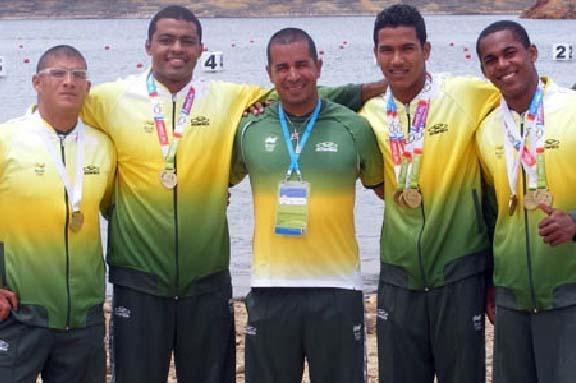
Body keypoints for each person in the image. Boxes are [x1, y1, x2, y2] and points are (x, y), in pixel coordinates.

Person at [81, 5, 385, 383]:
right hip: (138, 277)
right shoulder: (109, 99)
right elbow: (57, 114)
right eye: (167, 40)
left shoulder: (228, 99)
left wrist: (376, 88)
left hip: (208, 278)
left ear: (200, 48)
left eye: (187, 41)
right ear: (148, 46)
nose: (177, 48)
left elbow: (296, 91)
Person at [230, 27, 383, 383]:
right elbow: (219, 182)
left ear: (319, 65)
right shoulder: (249, 127)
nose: (293, 75)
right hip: (269, 288)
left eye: (302, 64)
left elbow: (383, 189)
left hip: (338, 289)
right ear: (269, 74)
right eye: (282, 68)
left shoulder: (355, 128)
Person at [358, 5, 499, 383]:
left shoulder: (466, 94)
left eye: (408, 48)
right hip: (398, 273)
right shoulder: (369, 114)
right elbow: (305, 101)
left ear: (427, 50)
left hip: (459, 269)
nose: (397, 59)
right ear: (375, 54)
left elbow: (527, 89)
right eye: (387, 50)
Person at [476, 20, 576, 383]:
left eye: (510, 53)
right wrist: (490, 282)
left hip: (570, 292)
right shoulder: (487, 128)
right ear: (484, 71)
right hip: (511, 300)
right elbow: (490, 214)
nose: (503, 65)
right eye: (491, 60)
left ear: (531, 53)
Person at [0, 45, 115, 383]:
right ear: (37, 82)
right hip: (20, 312)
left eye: (78, 75)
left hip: (84, 318)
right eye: (58, 74)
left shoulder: (103, 146)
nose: (69, 82)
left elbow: (115, 207)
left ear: (88, 88)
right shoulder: (8, 139)